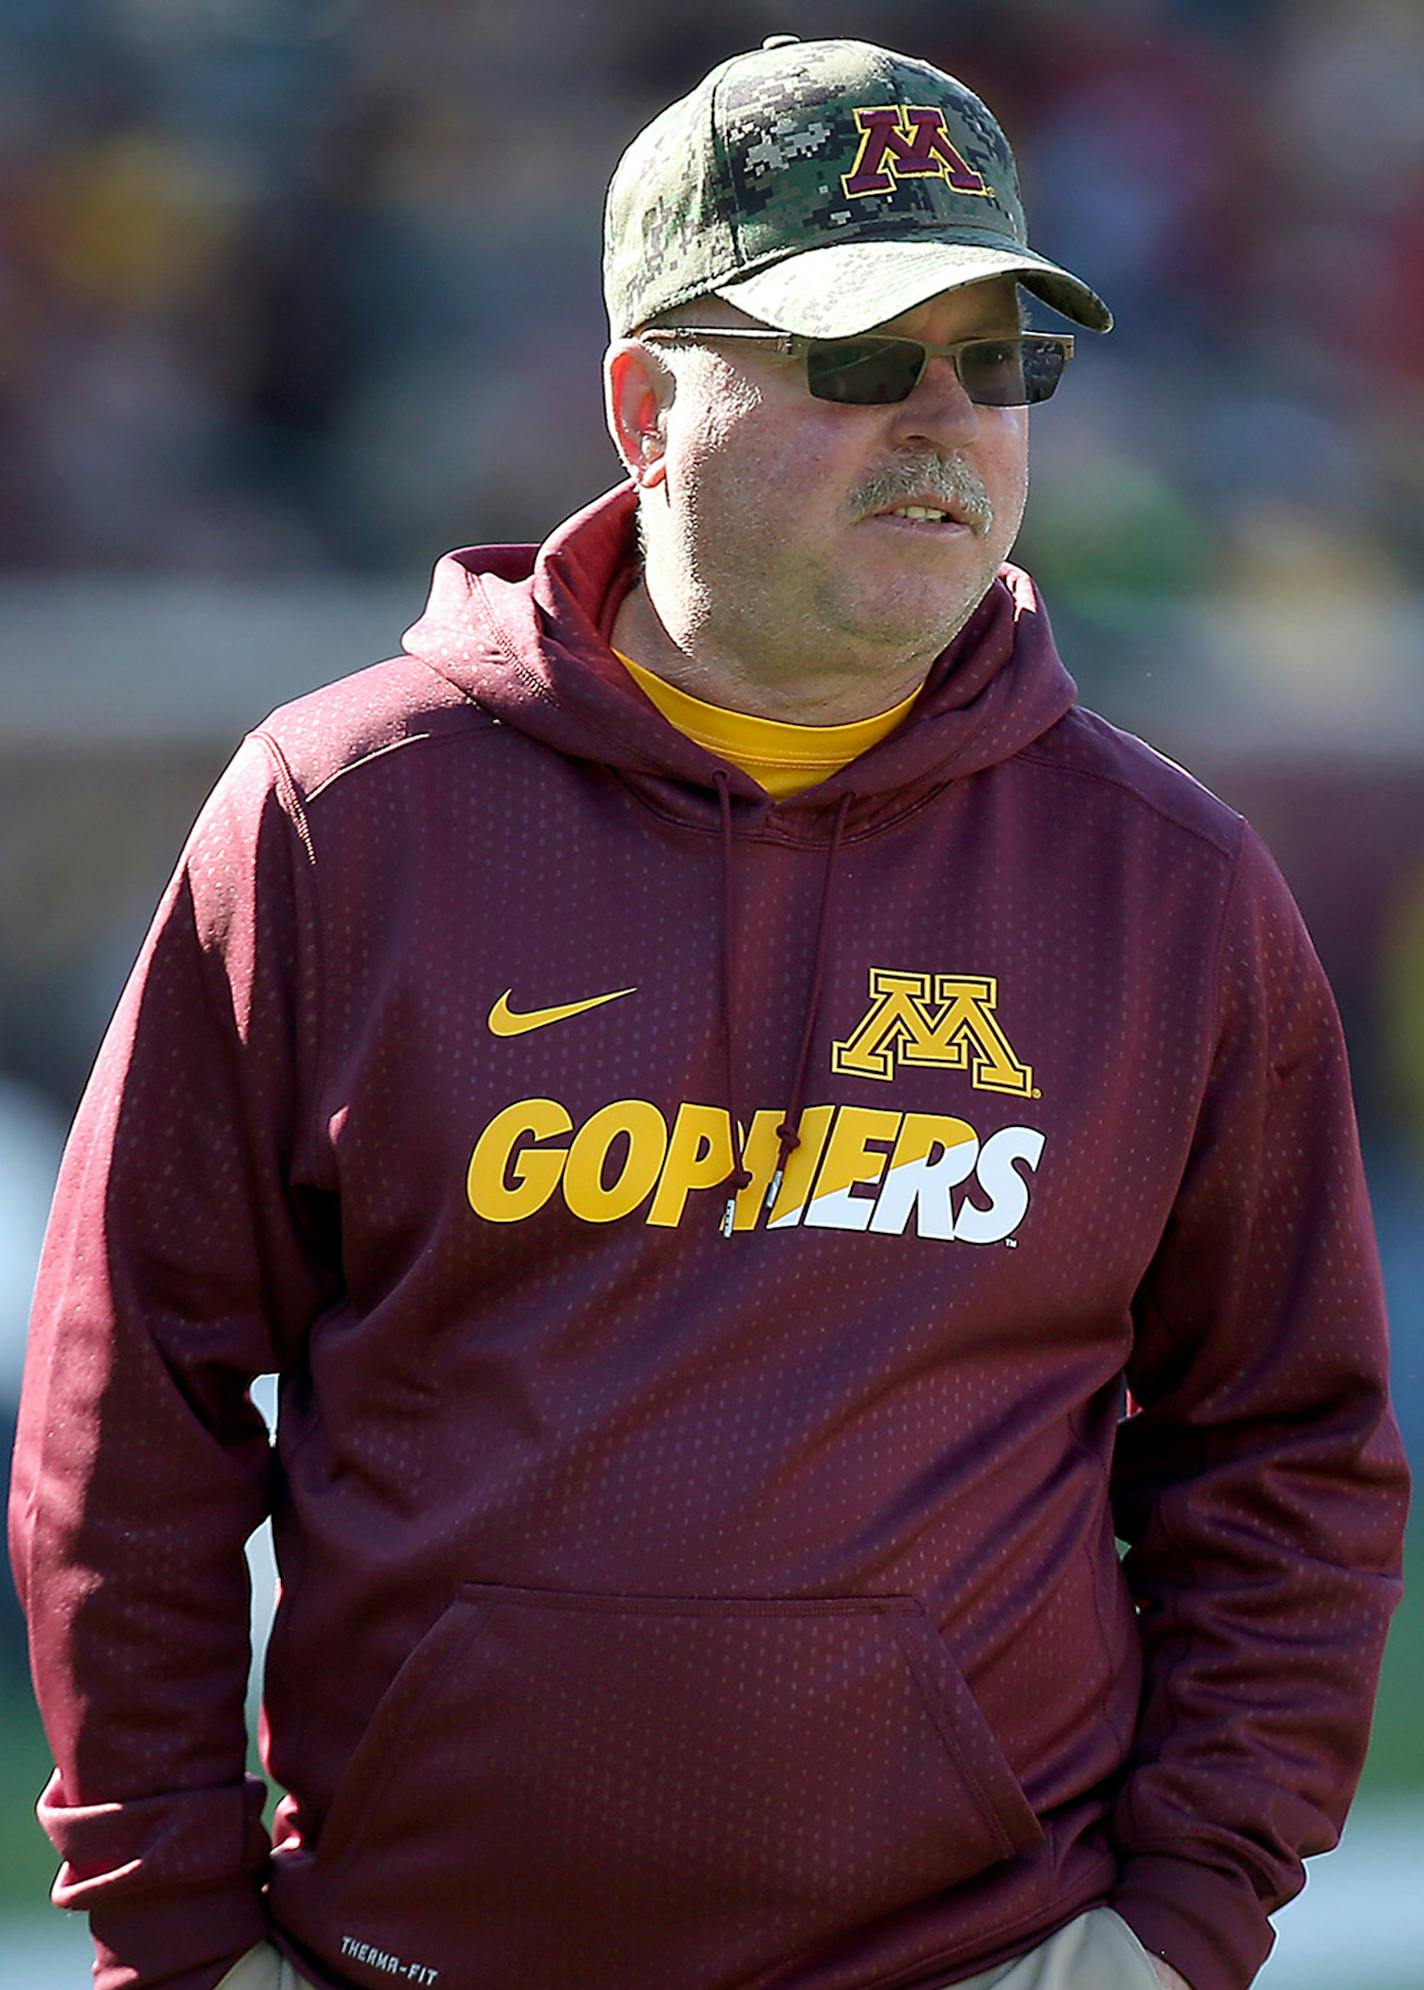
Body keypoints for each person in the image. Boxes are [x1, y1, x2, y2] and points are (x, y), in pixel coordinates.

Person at [8, 33, 1410, 1990]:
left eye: (998, 359)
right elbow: (123, 1410)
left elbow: (1288, 1448)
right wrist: (174, 1928)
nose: (944, 423)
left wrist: (1173, 1927)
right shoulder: (344, 818)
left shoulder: (1167, 885)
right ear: (644, 406)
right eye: (855, 358)